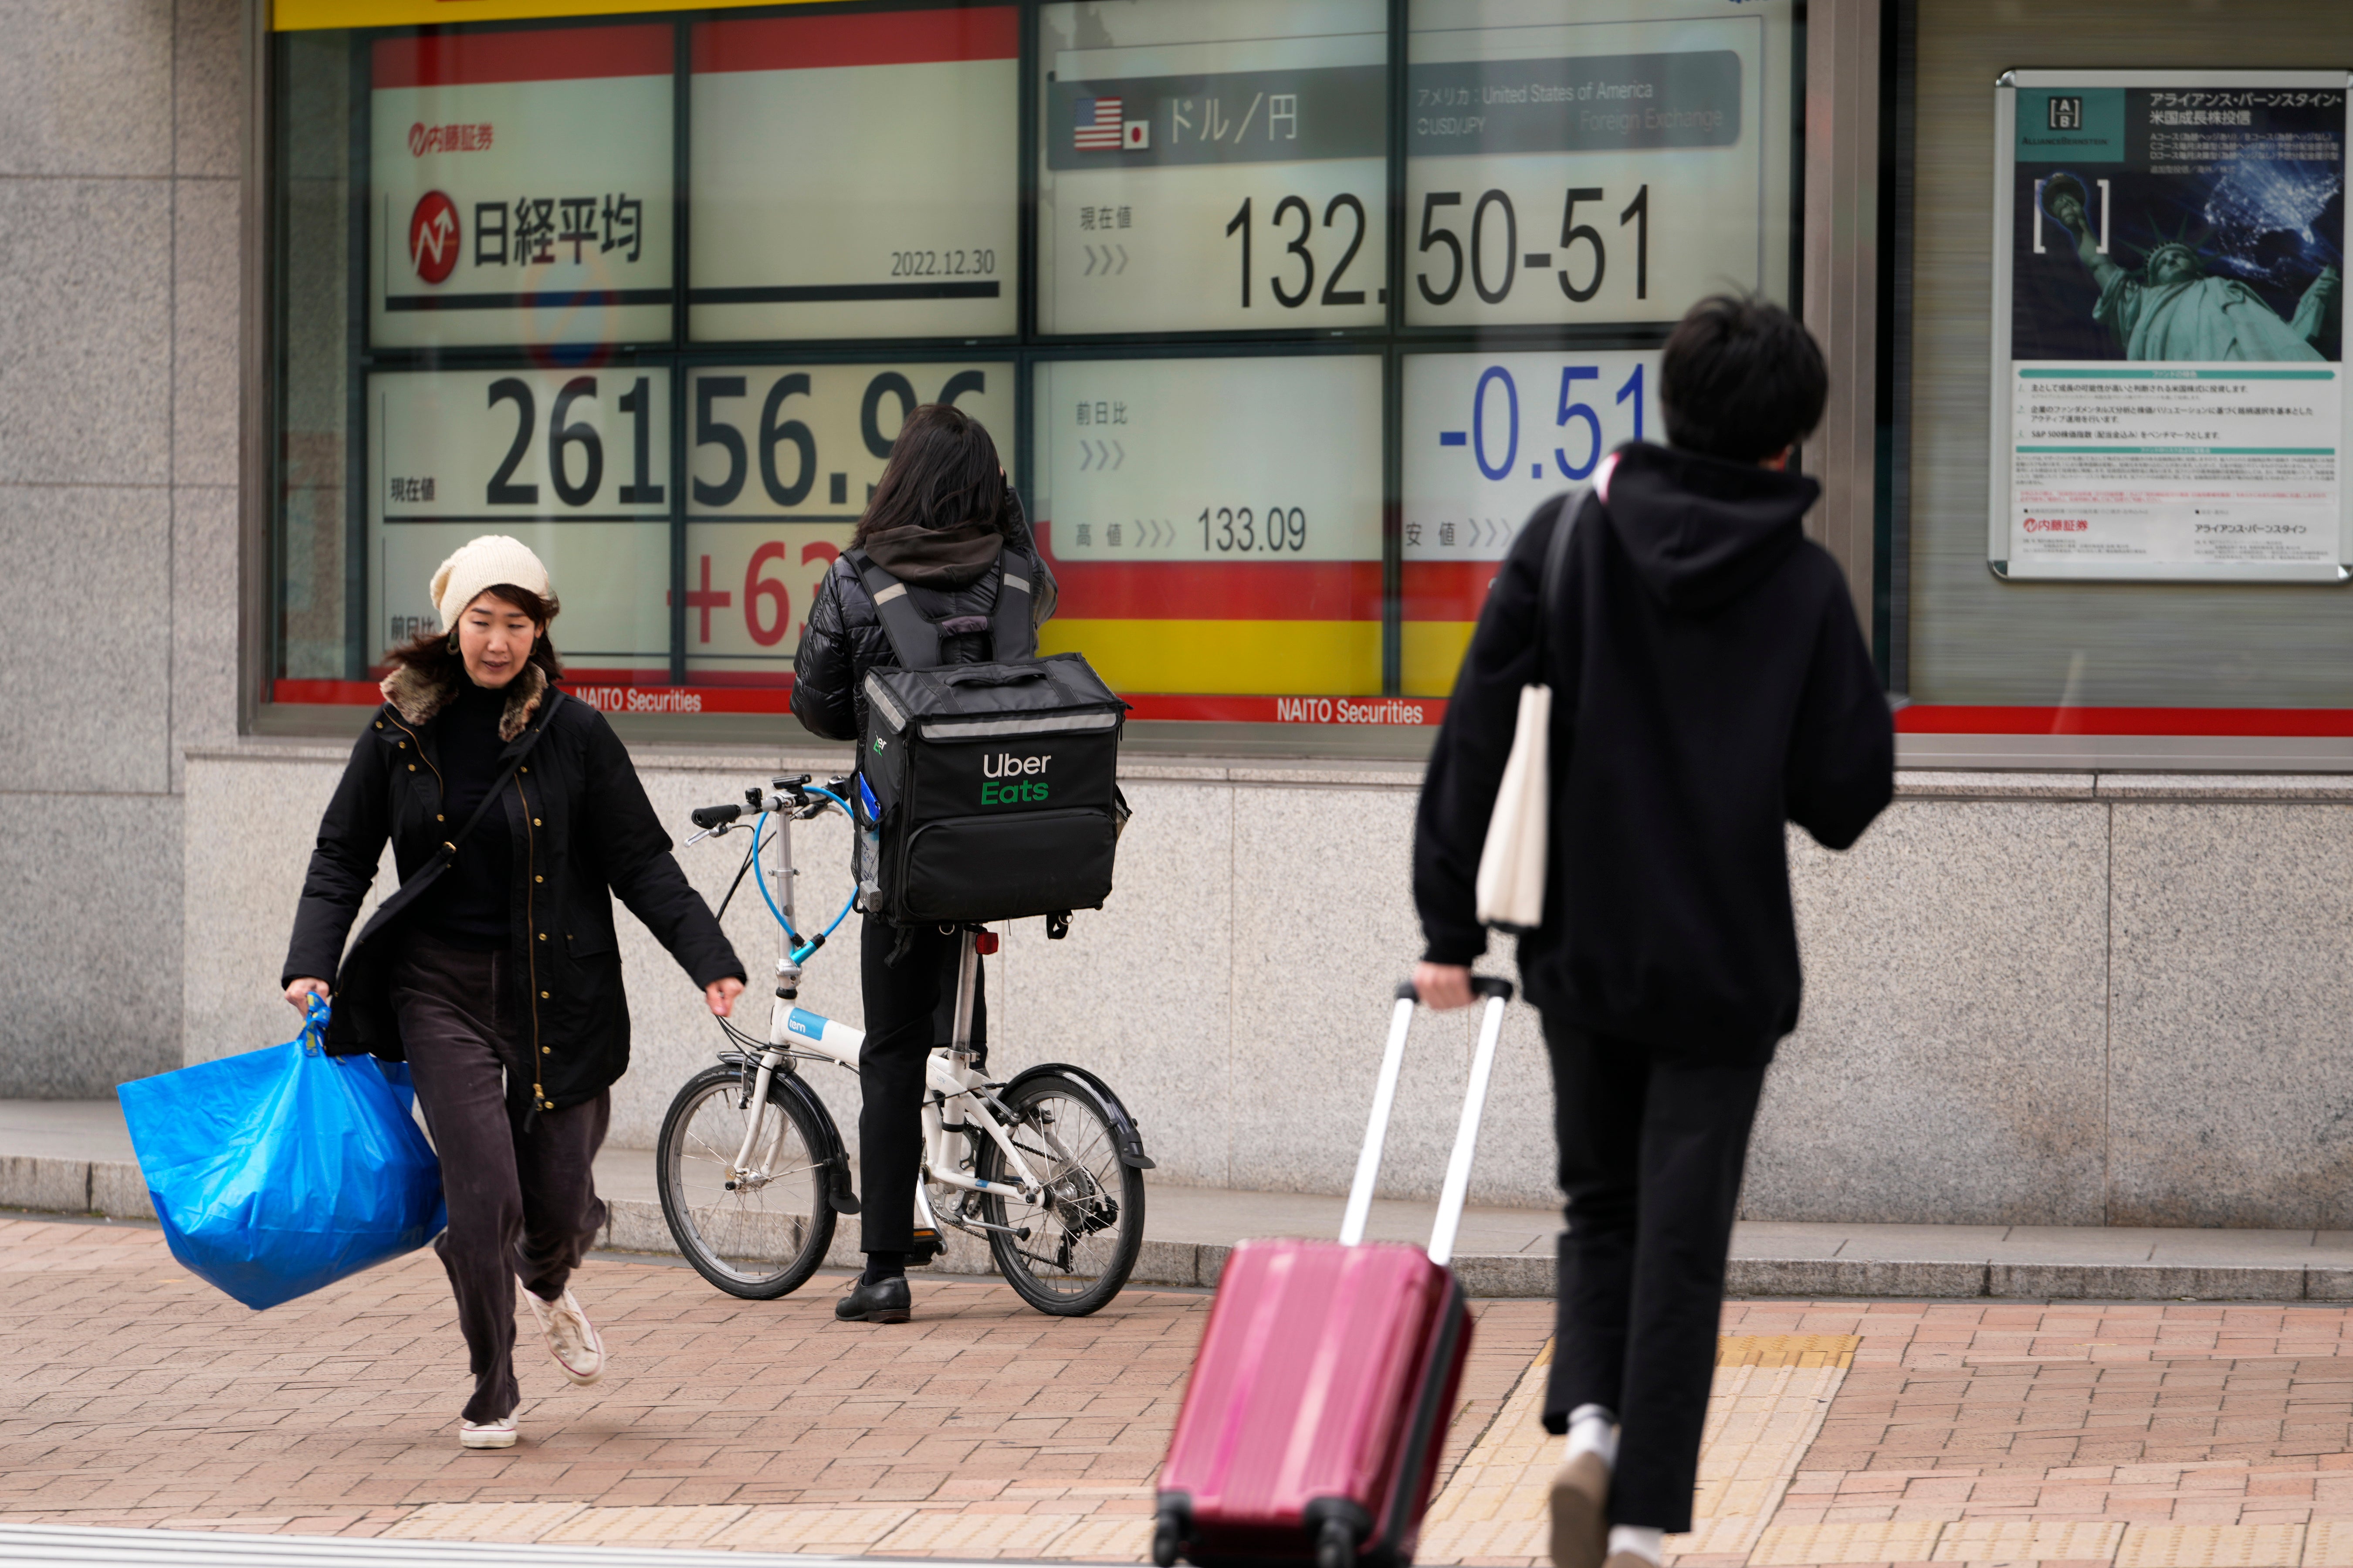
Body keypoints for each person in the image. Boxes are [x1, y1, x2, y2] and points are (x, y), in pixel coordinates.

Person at [1411, 297, 1893, 1568]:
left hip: (1582, 951)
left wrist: (1446, 932)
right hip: (1725, 968)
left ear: (1669, 409)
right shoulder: (1803, 581)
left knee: (1600, 1206)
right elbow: (1847, 796)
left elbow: (1472, 734)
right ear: (1787, 441)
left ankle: (1591, 1431)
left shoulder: (1568, 535)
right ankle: (1640, 1532)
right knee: (1685, 1239)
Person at [281, 535, 747, 1451]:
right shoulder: (397, 731)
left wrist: (709, 958)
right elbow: (343, 852)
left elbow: (640, 861)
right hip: (437, 988)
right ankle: (491, 1384)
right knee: (482, 1195)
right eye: (482, 621)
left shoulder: (573, 734)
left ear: (541, 631)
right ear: (451, 623)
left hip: (556, 988)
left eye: (518, 623)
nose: (498, 641)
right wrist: (312, 958)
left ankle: (548, 1276)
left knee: (558, 1206)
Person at [789, 402, 1050, 1325]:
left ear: (898, 478)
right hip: (1009, 840)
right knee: (952, 1035)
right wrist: (1010, 516)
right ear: (991, 490)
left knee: (893, 1056)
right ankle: (982, 1126)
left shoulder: (856, 582)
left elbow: (817, 708)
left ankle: (885, 1272)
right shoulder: (1018, 573)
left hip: (902, 857)